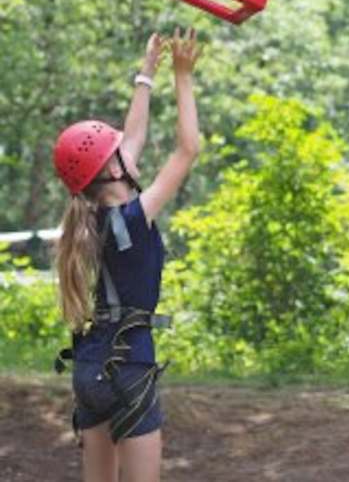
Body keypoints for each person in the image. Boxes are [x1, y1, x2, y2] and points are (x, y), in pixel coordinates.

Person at [53, 28, 201, 482]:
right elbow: (188, 149)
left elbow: (131, 136)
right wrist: (183, 75)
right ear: (114, 169)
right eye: (119, 151)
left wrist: (147, 71)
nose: (130, 146)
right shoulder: (135, 217)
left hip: (91, 364)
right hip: (128, 364)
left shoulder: (92, 215)